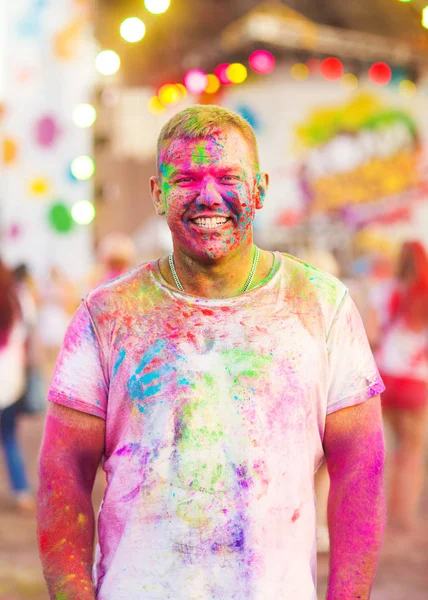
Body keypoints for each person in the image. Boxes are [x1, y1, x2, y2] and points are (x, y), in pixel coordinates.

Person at [37, 105, 386, 600]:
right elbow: (64, 471)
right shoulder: (108, 314)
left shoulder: (321, 305)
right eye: (185, 178)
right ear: (158, 193)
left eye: (228, 177)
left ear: (260, 189)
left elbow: (360, 466)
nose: (208, 196)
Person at [367, 240, 428, 531]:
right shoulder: (424, 295)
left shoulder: (382, 290)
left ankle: (384, 513)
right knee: (412, 452)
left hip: (385, 378)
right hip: (416, 381)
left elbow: (372, 335)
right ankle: (406, 516)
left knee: (386, 450)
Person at [0, 260, 34, 513]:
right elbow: (23, 341)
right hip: (11, 382)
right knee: (10, 438)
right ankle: (21, 491)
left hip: (10, 380)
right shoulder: (15, 301)